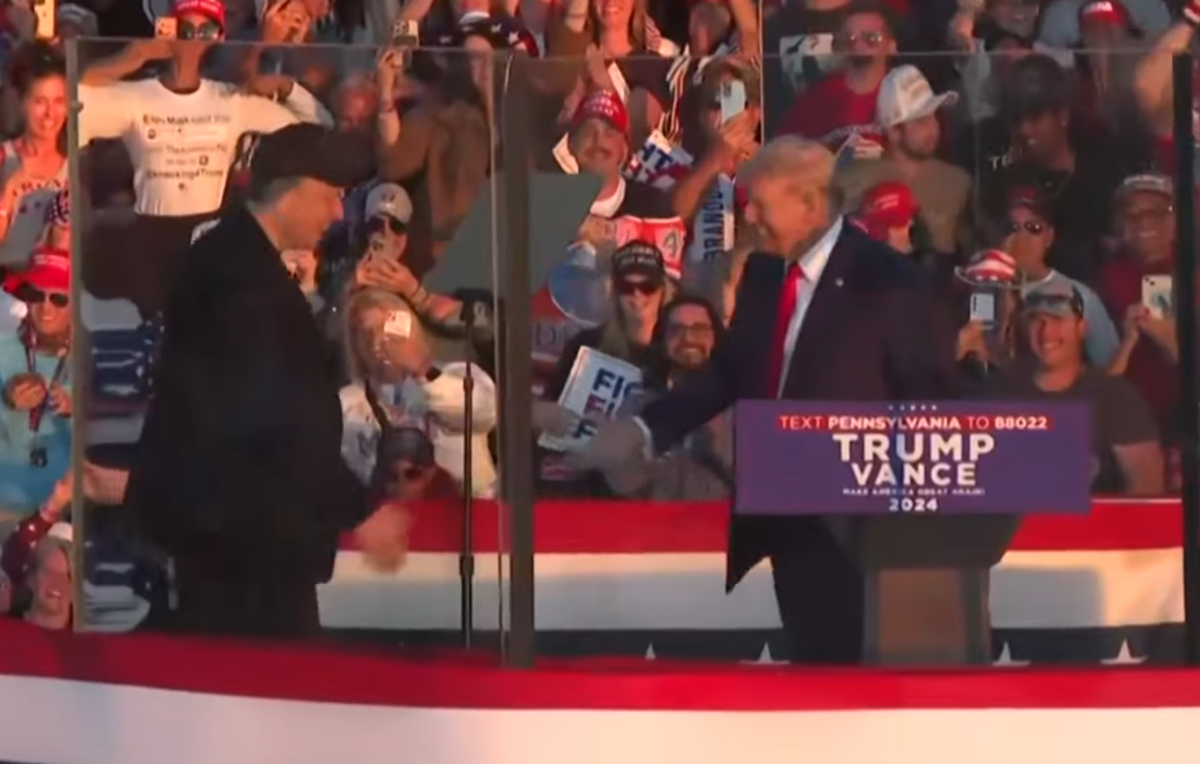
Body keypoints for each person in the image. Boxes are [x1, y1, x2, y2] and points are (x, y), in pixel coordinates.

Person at [576, 136, 957, 664]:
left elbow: (928, 403)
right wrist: (646, 429)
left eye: (760, 202)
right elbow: (731, 371)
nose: (747, 214)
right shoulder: (762, 274)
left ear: (811, 204)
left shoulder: (888, 283)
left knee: (865, 687)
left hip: (864, 535)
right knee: (812, 671)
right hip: (784, 524)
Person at [122, 123, 409, 640]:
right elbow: (274, 418)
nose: (338, 214)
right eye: (329, 197)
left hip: (242, 535)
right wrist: (357, 510)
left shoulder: (235, 264)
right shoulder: (243, 282)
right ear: (288, 192)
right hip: (245, 547)